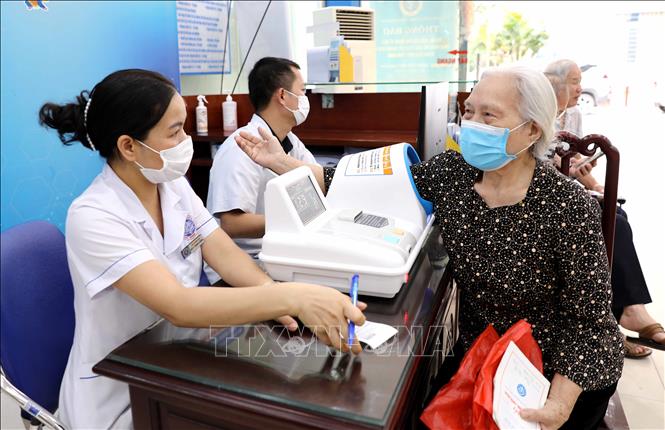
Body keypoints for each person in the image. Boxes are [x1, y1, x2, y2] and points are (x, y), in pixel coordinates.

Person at [235, 66, 625, 430]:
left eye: (489, 116)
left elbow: (589, 324)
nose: (472, 124)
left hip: (559, 371)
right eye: (469, 111)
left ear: (531, 131)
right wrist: (278, 161)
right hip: (483, 350)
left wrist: (557, 405)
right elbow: (345, 180)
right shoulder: (453, 174)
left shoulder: (568, 207)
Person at [38, 69, 366, 429]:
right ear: (129, 146)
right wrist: (294, 297)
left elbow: (223, 252)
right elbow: (178, 305)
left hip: (176, 357)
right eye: (175, 131)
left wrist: (279, 299)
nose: (186, 140)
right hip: (119, 392)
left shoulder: (172, 186)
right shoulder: (93, 216)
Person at [546, 61, 665, 358]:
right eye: (573, 81)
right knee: (614, 223)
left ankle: (622, 312)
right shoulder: (536, 118)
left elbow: (572, 161)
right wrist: (575, 175)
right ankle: (619, 317)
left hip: (563, 190)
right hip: (549, 200)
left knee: (618, 215)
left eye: (579, 81)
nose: (578, 88)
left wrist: (592, 183)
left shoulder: (572, 115)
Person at [206, 57, 316, 280]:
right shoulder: (240, 146)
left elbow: (317, 186)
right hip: (242, 262)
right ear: (283, 95)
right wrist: (294, 221)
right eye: (302, 91)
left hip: (279, 252)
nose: (305, 98)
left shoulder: (291, 142)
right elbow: (232, 224)